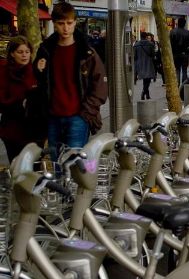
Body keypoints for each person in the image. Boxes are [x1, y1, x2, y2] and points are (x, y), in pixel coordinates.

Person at [34, 1, 108, 161]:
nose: (65, 28)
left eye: (69, 23)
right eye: (61, 24)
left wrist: (86, 112)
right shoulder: (46, 50)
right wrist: (38, 69)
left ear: (75, 22)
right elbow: (40, 83)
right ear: (54, 24)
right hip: (53, 117)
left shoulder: (87, 51)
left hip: (78, 117)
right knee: (57, 163)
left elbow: (100, 85)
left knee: (74, 165)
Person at [0, 36, 46, 160]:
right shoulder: (3, 71)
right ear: (12, 54)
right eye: (20, 52)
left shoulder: (35, 71)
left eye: (27, 52)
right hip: (12, 129)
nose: (24, 55)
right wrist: (21, 102)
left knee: (34, 168)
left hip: (34, 130)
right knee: (17, 167)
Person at [134, 32, 155, 100]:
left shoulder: (136, 45)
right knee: (147, 79)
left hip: (140, 64)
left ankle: (147, 94)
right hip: (149, 63)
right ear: (146, 37)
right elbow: (153, 55)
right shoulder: (151, 44)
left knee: (145, 80)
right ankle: (144, 92)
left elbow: (135, 56)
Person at [170, 17, 189, 86]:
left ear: (177, 23)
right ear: (184, 24)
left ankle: (177, 85)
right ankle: (184, 86)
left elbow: (170, 44)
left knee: (177, 70)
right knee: (184, 70)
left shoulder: (172, 32)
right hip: (184, 54)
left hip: (175, 54)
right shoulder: (187, 33)